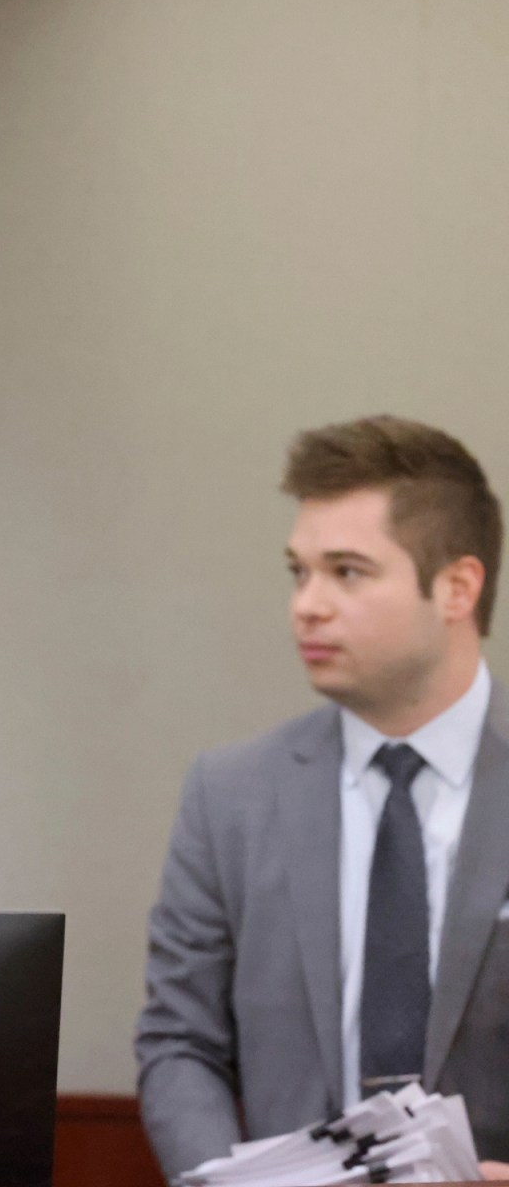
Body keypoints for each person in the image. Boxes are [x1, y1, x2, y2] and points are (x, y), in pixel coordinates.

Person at [138, 416, 509, 1179]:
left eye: (347, 572)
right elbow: (181, 1044)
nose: (307, 605)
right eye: (298, 572)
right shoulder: (231, 795)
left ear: (457, 588)